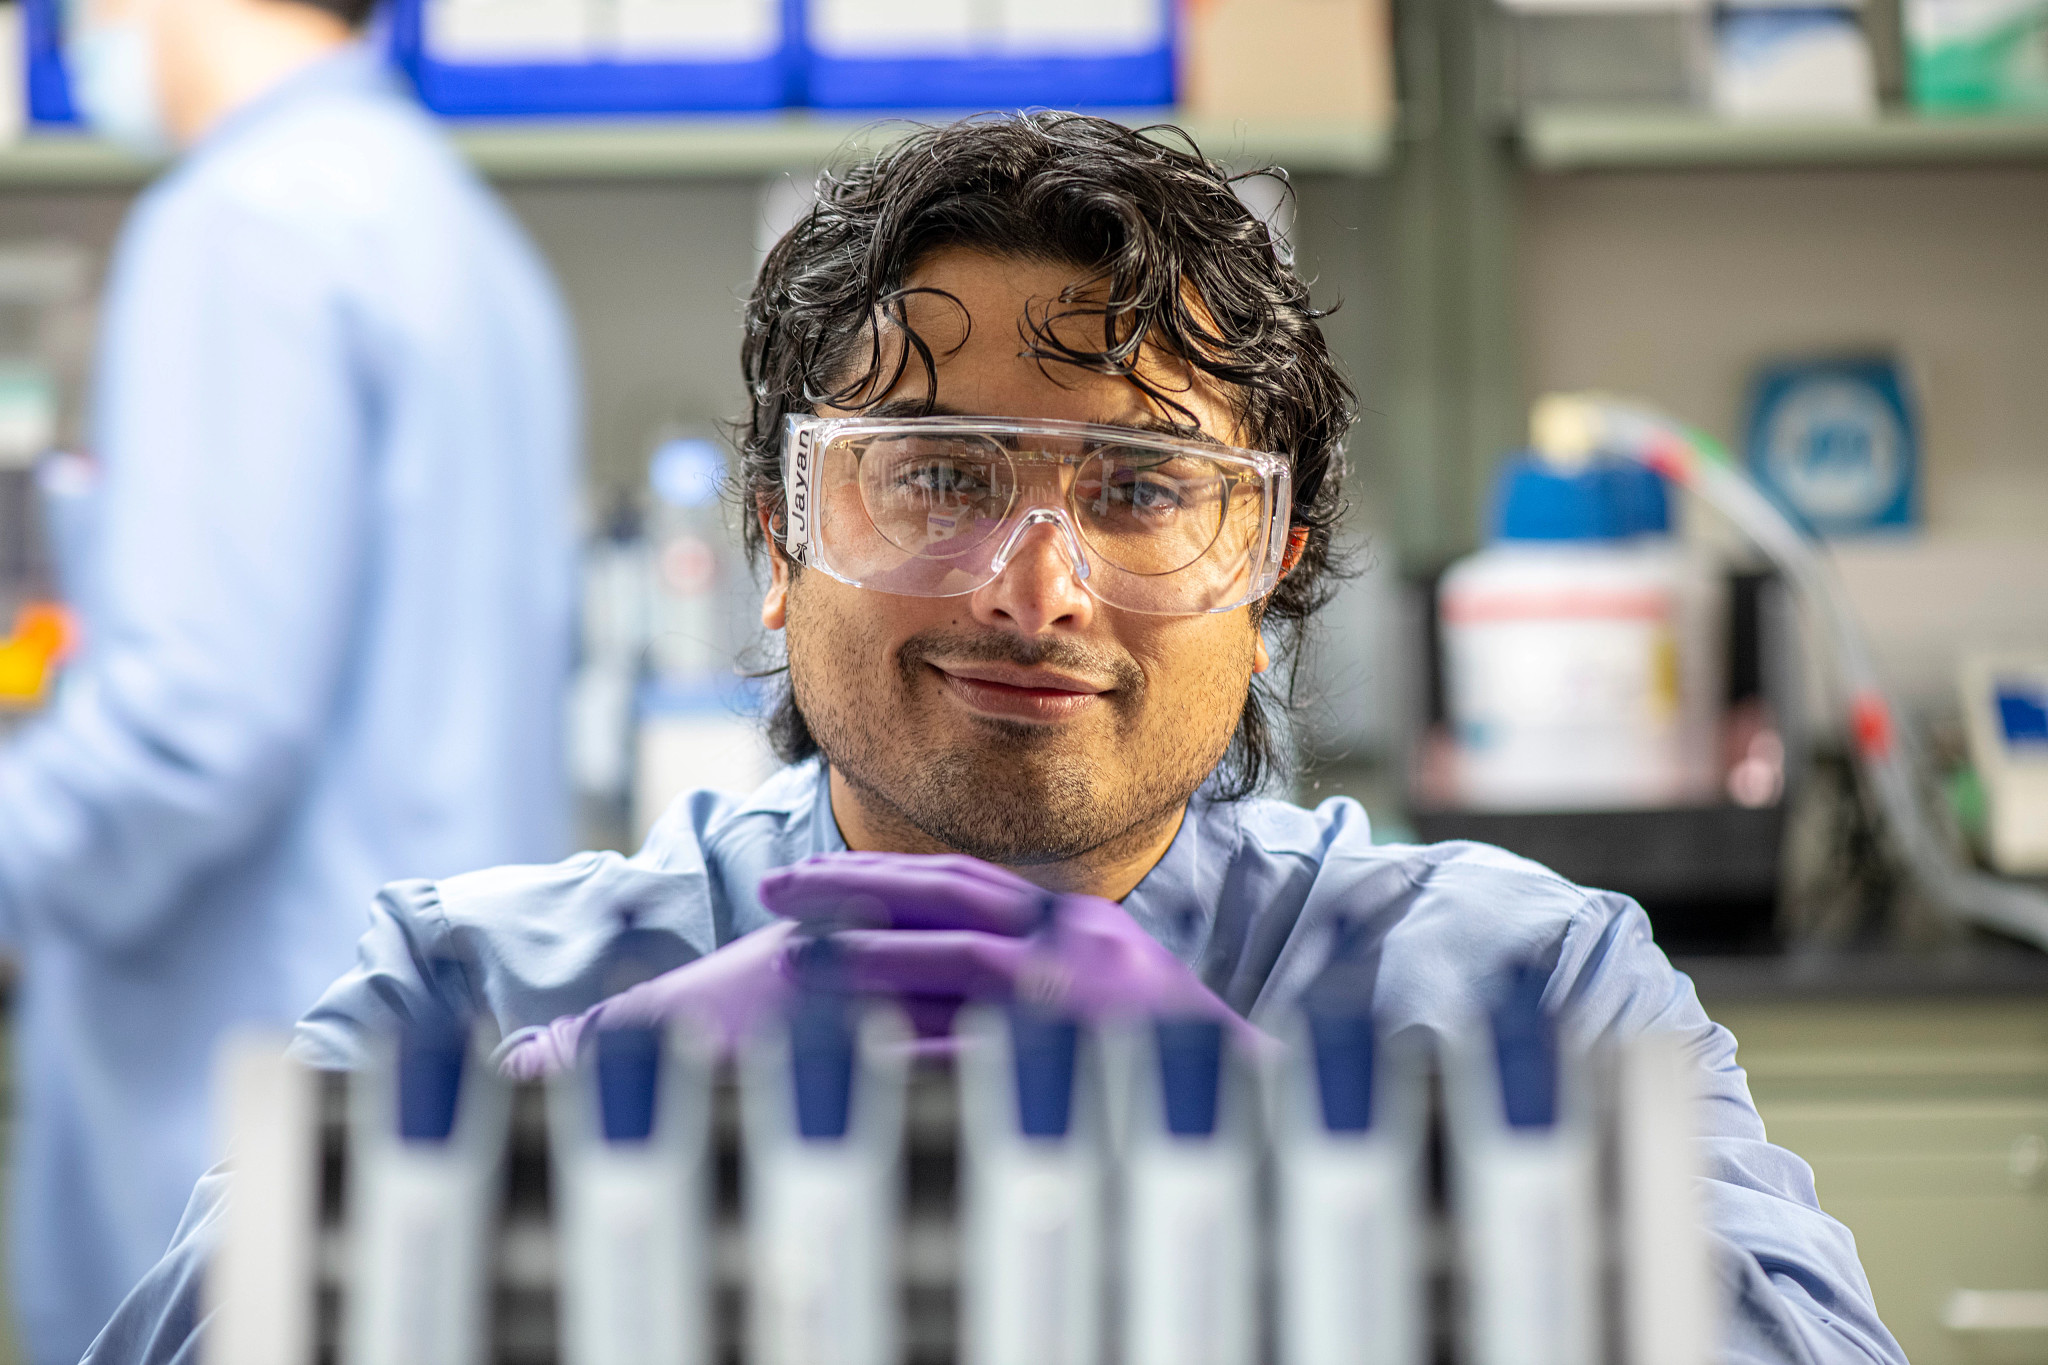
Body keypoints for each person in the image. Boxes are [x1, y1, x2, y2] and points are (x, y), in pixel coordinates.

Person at [90, 113, 1900, 1365]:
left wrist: (1315, 1158)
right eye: (938, 476)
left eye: (1140, 487)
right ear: (776, 541)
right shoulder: (475, 992)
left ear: (1265, 566)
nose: (1036, 590)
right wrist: (526, 1141)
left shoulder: (1525, 989)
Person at [0, 1, 577, 1359]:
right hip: (419, 1100)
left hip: (243, 1124)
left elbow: (191, 731)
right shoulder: (454, 229)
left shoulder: (243, 226)